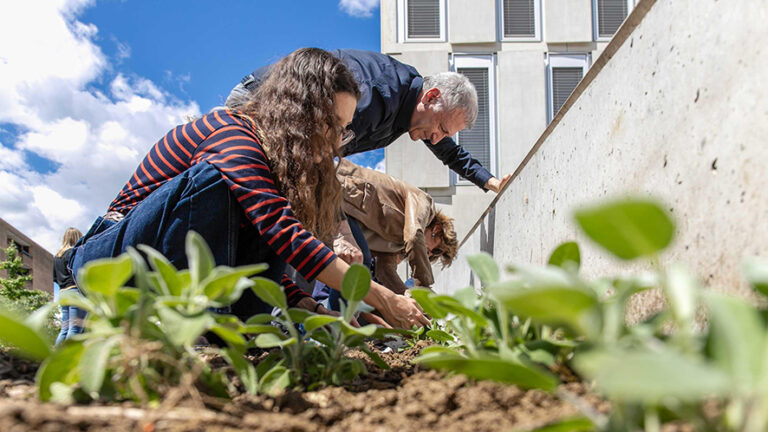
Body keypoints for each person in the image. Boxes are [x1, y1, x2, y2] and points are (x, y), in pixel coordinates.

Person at [70, 48, 428, 329]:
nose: (337, 141)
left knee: (266, 219)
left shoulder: (269, 162)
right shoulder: (231, 133)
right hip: (108, 261)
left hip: (162, 266)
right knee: (215, 183)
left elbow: (259, 253)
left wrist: (316, 310)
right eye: (332, 125)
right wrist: (382, 296)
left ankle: (224, 331)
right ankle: (206, 329)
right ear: (298, 112)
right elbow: (281, 230)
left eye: (344, 129)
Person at [226, 49, 512, 194]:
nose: (437, 138)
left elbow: (451, 153)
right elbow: (316, 151)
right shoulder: (376, 96)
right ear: (432, 96)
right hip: (257, 107)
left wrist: (491, 182)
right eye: (441, 128)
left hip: (294, 140)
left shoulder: (416, 110)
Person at [315, 160, 458, 306]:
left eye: (433, 255)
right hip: (333, 187)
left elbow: (384, 270)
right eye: (437, 249)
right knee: (358, 259)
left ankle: (332, 321)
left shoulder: (396, 244)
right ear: (437, 229)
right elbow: (414, 235)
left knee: (356, 264)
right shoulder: (425, 203)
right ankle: (336, 322)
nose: (429, 254)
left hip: (333, 218)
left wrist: (408, 302)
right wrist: (424, 285)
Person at [53, 227, 84, 345]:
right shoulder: (75, 253)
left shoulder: (57, 256)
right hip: (75, 292)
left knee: (65, 329)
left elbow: (54, 278)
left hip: (62, 293)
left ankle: (56, 357)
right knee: (75, 328)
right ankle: (67, 359)